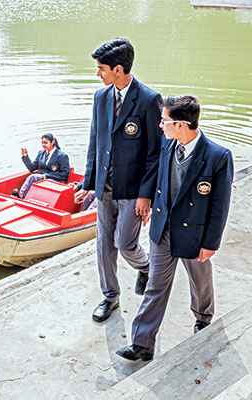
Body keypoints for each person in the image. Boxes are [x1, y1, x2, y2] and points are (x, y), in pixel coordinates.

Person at [116, 95, 234, 361]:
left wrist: (211, 243)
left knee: (200, 279)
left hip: (195, 234)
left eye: (165, 120)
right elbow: (158, 178)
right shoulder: (168, 145)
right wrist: (149, 203)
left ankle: (203, 318)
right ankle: (142, 343)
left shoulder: (217, 157)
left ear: (181, 124)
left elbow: (220, 206)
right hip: (163, 229)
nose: (160, 125)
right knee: (156, 284)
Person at [75, 37, 162, 322]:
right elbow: (95, 142)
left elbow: (154, 154)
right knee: (104, 246)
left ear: (119, 69)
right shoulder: (101, 98)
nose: (97, 74)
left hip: (133, 190)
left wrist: (146, 195)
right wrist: (88, 184)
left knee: (125, 243)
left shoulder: (149, 100)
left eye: (101, 68)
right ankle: (110, 297)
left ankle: (146, 266)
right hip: (105, 188)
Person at [13, 133, 70, 198]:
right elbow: (32, 168)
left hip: (56, 179)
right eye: (42, 143)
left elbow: (65, 175)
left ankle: (24, 196)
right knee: (32, 177)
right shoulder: (41, 153)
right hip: (42, 177)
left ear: (52, 142)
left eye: (45, 143)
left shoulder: (62, 156)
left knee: (36, 178)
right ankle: (21, 196)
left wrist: (47, 176)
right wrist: (25, 156)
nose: (43, 145)